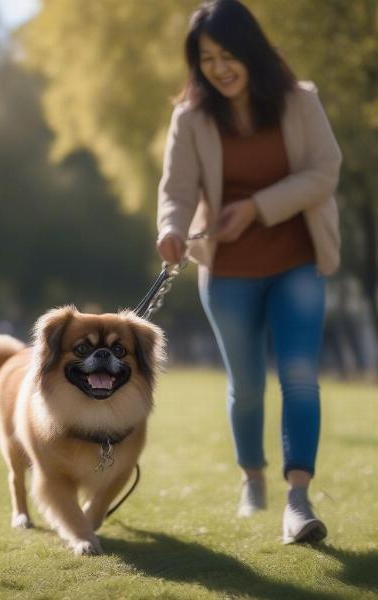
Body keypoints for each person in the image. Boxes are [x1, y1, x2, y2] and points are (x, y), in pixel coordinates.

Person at [156, 0, 341, 544]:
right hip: (228, 268)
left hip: (298, 259)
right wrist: (170, 228)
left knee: (301, 377)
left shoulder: (299, 101)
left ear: (252, 51)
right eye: (208, 57)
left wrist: (257, 207)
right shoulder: (190, 118)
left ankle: (298, 501)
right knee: (247, 386)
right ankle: (251, 479)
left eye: (229, 53)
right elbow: (177, 189)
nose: (220, 67)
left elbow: (324, 171)